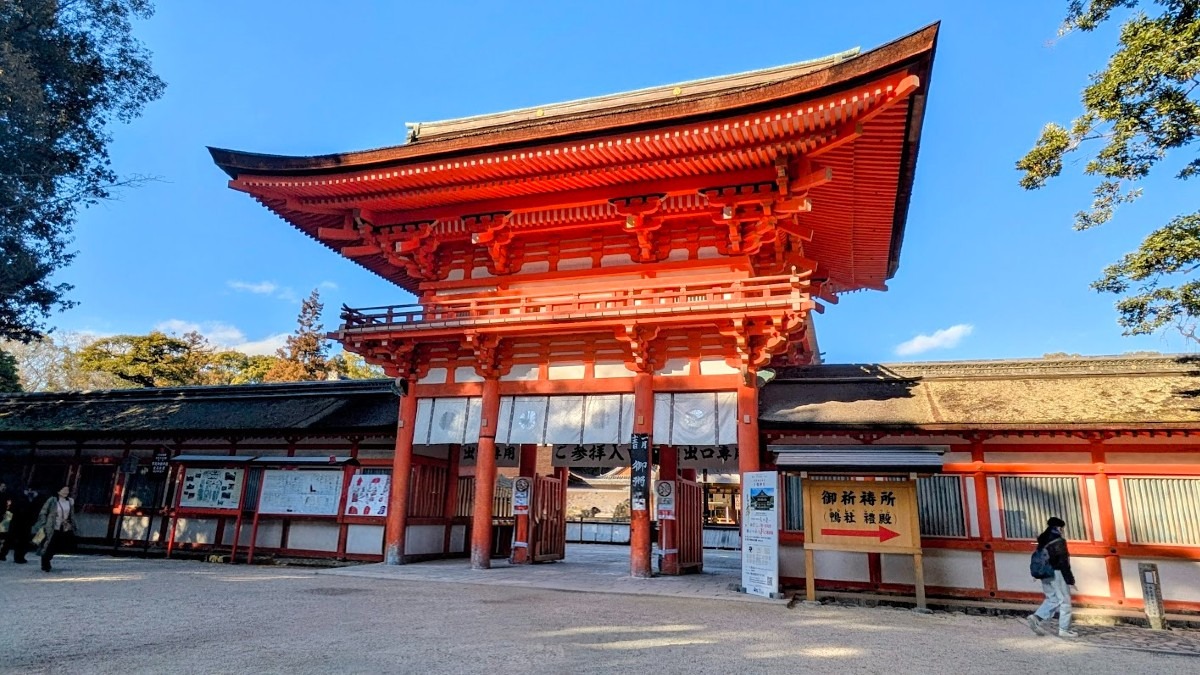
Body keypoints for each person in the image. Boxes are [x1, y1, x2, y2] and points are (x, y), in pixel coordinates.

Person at [1026, 516, 1078, 638]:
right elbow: (1063, 562)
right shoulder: (1059, 541)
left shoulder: (1043, 540)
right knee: (1065, 601)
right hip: (1057, 573)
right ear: (1059, 528)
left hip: (1045, 574)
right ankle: (1064, 629)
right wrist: (1070, 580)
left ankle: (1036, 617)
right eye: (1062, 528)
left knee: (1052, 599)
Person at [34, 485, 77, 573]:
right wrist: (43, 523)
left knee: (57, 545)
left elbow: (71, 514)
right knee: (49, 544)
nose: (66, 492)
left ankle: (47, 558)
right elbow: (44, 512)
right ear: (58, 491)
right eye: (64, 490)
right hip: (51, 526)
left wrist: (72, 524)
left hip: (63, 526)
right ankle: (45, 562)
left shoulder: (70, 501)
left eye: (67, 490)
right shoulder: (52, 500)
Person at [0, 483, 35, 563]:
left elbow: (10, 508)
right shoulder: (22, 497)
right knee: (18, 539)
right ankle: (17, 557)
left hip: (21, 521)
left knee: (14, 539)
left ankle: (6, 554)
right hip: (20, 520)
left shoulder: (19, 496)